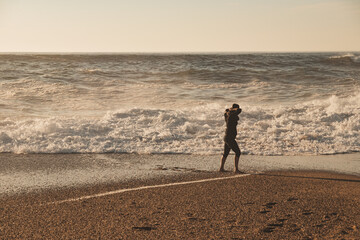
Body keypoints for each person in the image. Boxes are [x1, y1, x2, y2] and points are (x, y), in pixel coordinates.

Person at [220, 103, 242, 173]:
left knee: (225, 153)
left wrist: (230, 109)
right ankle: (236, 169)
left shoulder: (227, 115)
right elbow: (239, 110)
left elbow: (226, 111)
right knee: (238, 152)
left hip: (227, 137)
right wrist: (233, 109)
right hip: (230, 138)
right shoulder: (232, 115)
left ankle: (221, 168)